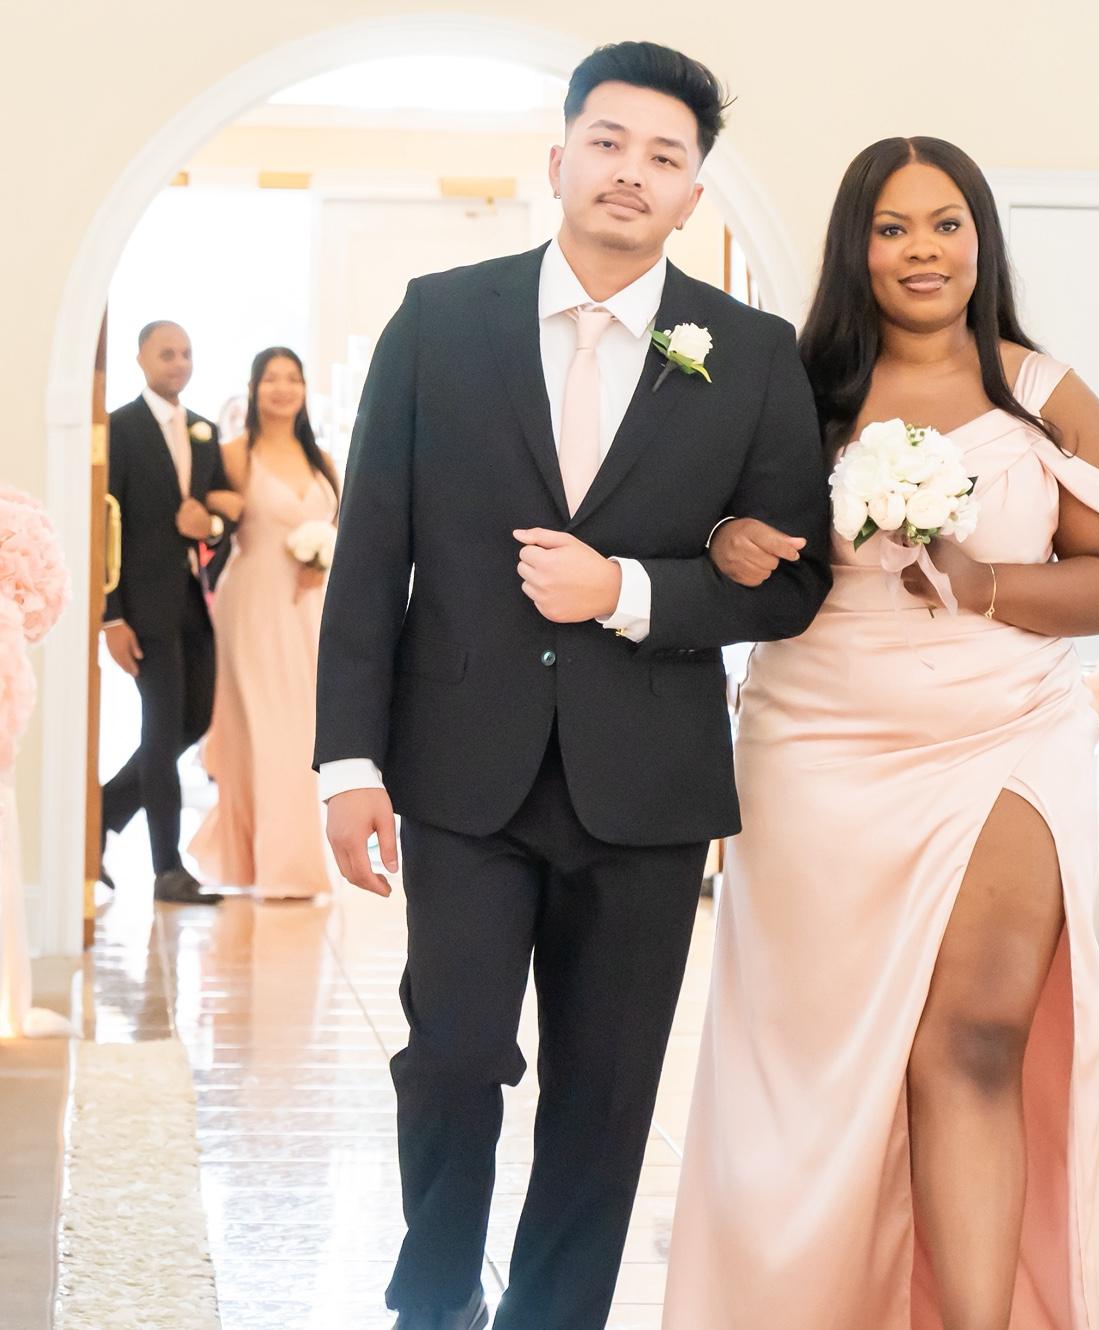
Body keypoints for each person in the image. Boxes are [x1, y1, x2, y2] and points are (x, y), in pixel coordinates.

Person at [314, 41, 831, 1330]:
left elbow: (790, 582)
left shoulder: (750, 352)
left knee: (604, 1096)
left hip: (645, 781)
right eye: (607, 142)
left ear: (692, 194)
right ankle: (434, 1292)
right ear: (557, 159)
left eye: (664, 155)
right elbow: (371, 554)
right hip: (460, 769)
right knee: (451, 1056)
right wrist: (347, 763)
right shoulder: (440, 320)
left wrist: (629, 591)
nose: (629, 171)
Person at [663, 138, 1099, 1330]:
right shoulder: (791, 390)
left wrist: (988, 584)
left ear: (980, 240)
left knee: (973, 1038)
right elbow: (714, 539)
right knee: (818, 1066)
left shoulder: (1046, 395)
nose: (921, 250)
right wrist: (727, 543)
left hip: (1005, 733)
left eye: (945, 224)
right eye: (891, 228)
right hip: (816, 747)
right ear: (856, 247)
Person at [101, 321, 243, 905]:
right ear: (141, 359)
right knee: (160, 733)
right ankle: (167, 870)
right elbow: (104, 524)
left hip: (194, 602)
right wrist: (111, 617)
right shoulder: (118, 428)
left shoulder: (203, 430)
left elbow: (227, 512)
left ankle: (100, 816)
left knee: (195, 719)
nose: (178, 363)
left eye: (185, 353)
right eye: (166, 353)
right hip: (142, 607)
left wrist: (210, 525)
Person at [190, 348, 339, 900]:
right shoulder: (233, 455)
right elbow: (207, 519)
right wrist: (215, 511)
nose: (282, 388)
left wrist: (323, 558)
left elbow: (345, 527)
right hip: (252, 601)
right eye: (271, 378)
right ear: (253, 388)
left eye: (292, 378)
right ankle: (278, 867)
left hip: (309, 608)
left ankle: (280, 860)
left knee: (304, 731)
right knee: (266, 729)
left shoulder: (322, 460)